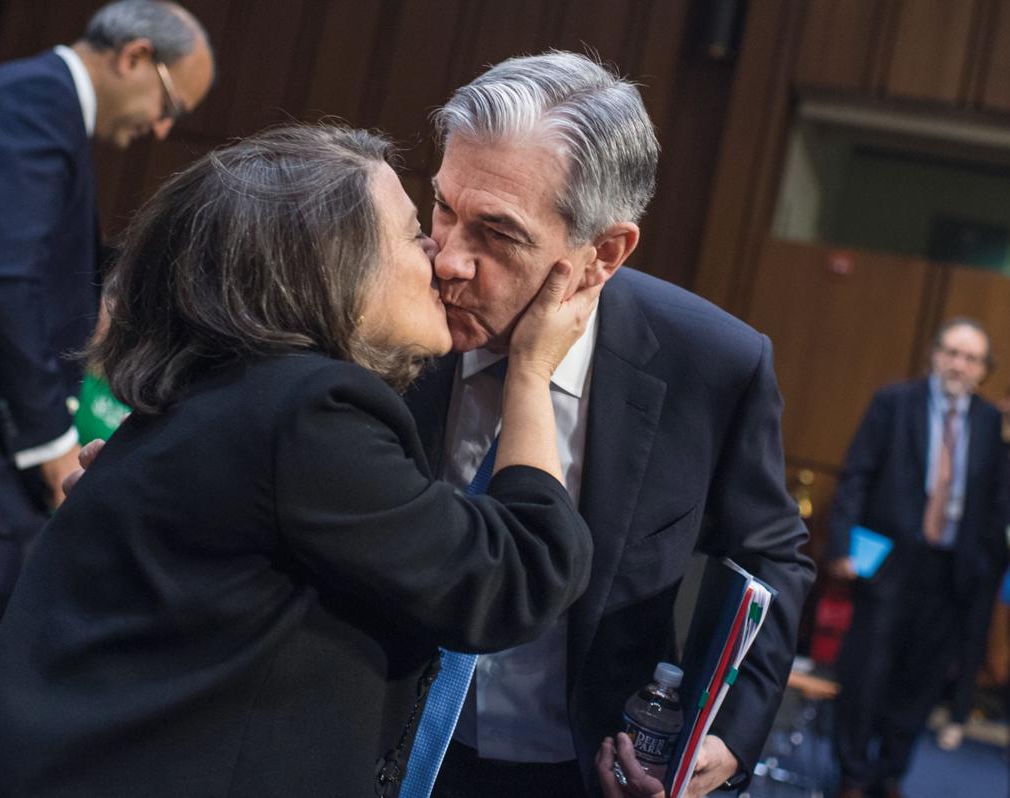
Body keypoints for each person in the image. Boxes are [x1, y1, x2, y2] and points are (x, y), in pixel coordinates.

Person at [0, 124, 598, 798]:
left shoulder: (220, 385)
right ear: (331, 267)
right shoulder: (311, 410)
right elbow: (519, 576)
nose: (439, 255)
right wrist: (530, 374)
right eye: (414, 231)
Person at [397, 51, 816, 798]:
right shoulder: (385, 308)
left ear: (604, 254)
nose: (449, 261)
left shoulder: (712, 362)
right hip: (381, 740)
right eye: (444, 209)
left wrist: (731, 733)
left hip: (581, 765)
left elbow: (772, 556)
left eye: (498, 233)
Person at [0, 2, 214, 795]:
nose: (165, 128)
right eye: (171, 103)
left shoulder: (27, 99)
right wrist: (51, 443)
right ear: (131, 56)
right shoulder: (34, 103)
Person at [826, 318, 1010, 798]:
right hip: (889, 562)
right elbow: (857, 474)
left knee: (920, 682)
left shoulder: (990, 423)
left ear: (982, 371)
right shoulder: (895, 402)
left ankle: (889, 774)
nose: (958, 364)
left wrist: (986, 567)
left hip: (950, 573)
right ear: (934, 354)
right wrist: (843, 546)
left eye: (970, 358)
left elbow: (994, 500)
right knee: (867, 673)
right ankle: (852, 773)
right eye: (951, 352)